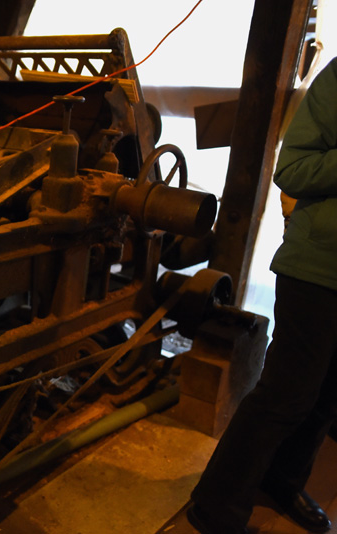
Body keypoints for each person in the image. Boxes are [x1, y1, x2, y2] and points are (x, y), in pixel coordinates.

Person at [187, 56, 337, 534]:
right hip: (319, 267)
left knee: (329, 394)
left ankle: (280, 482)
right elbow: (292, 169)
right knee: (287, 395)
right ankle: (215, 509)